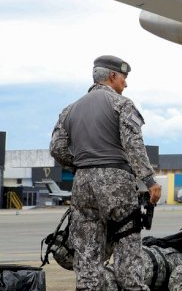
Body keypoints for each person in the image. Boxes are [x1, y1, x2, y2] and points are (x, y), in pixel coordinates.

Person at [49, 55, 162, 290]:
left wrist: (81, 166)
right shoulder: (122, 104)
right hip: (116, 181)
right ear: (112, 76)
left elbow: (57, 149)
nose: (126, 84)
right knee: (127, 245)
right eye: (124, 78)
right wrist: (150, 180)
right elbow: (133, 146)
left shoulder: (69, 110)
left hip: (82, 184)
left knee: (87, 253)